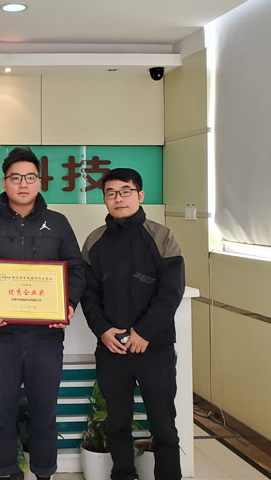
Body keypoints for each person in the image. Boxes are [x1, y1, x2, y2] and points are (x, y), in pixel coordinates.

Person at [0, 147, 86, 480]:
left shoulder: (57, 223)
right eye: (15, 177)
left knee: (44, 410)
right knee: (1, 410)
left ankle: (44, 472)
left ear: (39, 182)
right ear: (4, 183)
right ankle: (5, 472)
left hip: (46, 335)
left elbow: (76, 268)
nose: (23, 184)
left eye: (30, 177)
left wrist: (68, 304)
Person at [81, 168, 185, 480]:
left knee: (163, 425)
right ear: (104, 199)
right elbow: (88, 294)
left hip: (154, 347)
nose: (118, 198)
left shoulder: (162, 237)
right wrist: (102, 330)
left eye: (125, 191)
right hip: (111, 348)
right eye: (111, 193)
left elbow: (171, 292)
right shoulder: (94, 241)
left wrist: (144, 333)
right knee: (117, 424)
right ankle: (123, 474)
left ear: (140, 195)